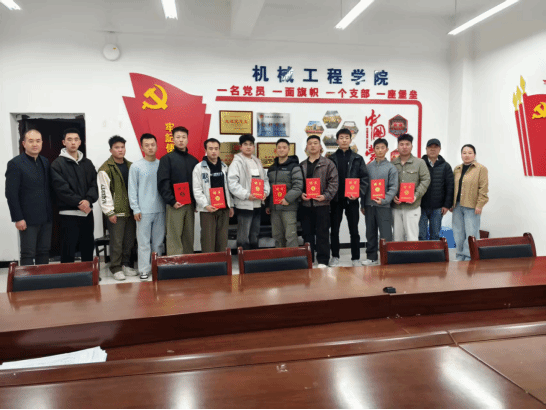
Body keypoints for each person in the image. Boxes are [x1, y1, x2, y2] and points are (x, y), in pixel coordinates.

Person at [5, 129, 53, 266]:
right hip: (27, 218)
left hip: (46, 216)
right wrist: (18, 218)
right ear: (24, 143)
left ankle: (42, 278)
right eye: (31, 141)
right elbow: (11, 193)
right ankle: (28, 280)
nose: (35, 144)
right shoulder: (15, 163)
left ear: (42, 143)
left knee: (44, 251)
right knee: (28, 253)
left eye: (38, 141)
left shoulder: (45, 161)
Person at [51, 128, 98, 263]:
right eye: (69, 139)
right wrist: (79, 202)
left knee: (88, 247)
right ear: (63, 142)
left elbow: (94, 184)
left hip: (86, 213)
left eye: (76, 139)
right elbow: (61, 189)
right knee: (68, 249)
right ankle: (67, 274)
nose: (73, 142)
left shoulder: (87, 163)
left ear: (80, 142)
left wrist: (88, 200)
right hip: (68, 214)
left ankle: (89, 273)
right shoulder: (57, 164)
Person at [98, 136, 137, 281]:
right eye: (116, 147)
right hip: (116, 212)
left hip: (130, 211)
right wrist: (109, 211)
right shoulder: (105, 169)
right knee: (116, 242)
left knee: (129, 241)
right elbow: (104, 192)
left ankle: (126, 265)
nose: (120, 150)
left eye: (122, 147)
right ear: (111, 150)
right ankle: (115, 267)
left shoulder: (131, 166)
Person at [329, 129, 369, 267]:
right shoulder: (331, 158)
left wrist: (358, 193)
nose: (344, 140)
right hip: (335, 200)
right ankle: (335, 256)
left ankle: (355, 258)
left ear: (351, 140)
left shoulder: (358, 158)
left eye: (347, 137)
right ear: (337, 140)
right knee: (334, 230)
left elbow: (364, 178)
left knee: (354, 230)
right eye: (341, 137)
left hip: (352, 200)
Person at [128, 134, 165, 281]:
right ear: (142, 147)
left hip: (160, 209)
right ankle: (144, 270)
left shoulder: (162, 164)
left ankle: (157, 268)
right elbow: (132, 189)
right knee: (143, 243)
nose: (150, 148)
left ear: (157, 146)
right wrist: (135, 208)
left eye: (153, 145)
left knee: (158, 243)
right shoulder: (136, 166)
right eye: (147, 145)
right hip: (143, 211)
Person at [157, 126, 199, 256]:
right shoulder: (166, 159)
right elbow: (163, 182)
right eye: (178, 137)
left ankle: (188, 262)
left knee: (189, 236)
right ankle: (175, 264)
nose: (181, 140)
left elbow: (197, 184)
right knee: (174, 236)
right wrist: (172, 201)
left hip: (190, 205)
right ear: (173, 140)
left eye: (183, 137)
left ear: (187, 139)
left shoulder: (194, 161)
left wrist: (195, 203)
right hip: (175, 204)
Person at [300, 135, 339, 268]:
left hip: (322, 204)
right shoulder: (302, 165)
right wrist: (301, 195)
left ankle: (323, 260)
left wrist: (326, 196)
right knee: (307, 234)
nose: (312, 145)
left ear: (320, 146)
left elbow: (334, 182)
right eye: (310, 143)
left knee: (323, 234)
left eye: (315, 143)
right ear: (306, 147)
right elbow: (298, 184)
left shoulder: (328, 163)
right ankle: (309, 259)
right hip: (306, 205)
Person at [228, 134, 270, 250]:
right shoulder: (236, 163)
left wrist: (265, 192)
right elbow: (232, 184)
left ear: (254, 147)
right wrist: (247, 195)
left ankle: (254, 257)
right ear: (240, 147)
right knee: (243, 235)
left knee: (255, 234)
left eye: (251, 144)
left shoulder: (257, 162)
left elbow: (265, 180)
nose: (248, 147)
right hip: (244, 205)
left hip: (258, 204)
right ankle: (243, 258)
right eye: (245, 144)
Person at [193, 138, 235, 254]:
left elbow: (228, 188)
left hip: (224, 208)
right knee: (208, 239)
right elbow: (197, 189)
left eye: (216, 149)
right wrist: (205, 205)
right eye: (210, 149)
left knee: (222, 238)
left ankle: (222, 261)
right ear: (205, 150)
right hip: (208, 209)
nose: (213, 151)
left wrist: (230, 205)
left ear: (219, 150)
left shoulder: (224, 167)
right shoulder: (199, 168)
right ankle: (209, 262)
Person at [362, 138, 399, 266]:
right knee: (370, 233)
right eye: (377, 148)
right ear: (373, 150)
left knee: (386, 233)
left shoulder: (391, 168)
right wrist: (363, 204)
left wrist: (384, 200)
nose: (380, 150)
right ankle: (371, 257)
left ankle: (387, 257)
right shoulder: (368, 167)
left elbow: (394, 187)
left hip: (384, 206)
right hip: (369, 205)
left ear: (387, 149)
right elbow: (364, 187)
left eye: (382, 148)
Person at [451, 144, 489, 261]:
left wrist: (480, 205)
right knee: (458, 233)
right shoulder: (457, 169)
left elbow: (483, 189)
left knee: (471, 233)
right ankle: (460, 255)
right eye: (464, 153)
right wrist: (451, 204)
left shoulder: (481, 169)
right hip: (457, 206)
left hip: (472, 206)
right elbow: (453, 187)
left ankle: (469, 256)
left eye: (470, 153)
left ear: (474, 155)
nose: (467, 155)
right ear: (461, 154)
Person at [392, 134, 431, 242]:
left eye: (407, 144)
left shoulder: (420, 163)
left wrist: (416, 195)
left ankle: (412, 254)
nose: (404, 147)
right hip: (396, 207)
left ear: (412, 146)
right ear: (397, 146)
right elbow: (389, 183)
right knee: (397, 238)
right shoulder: (393, 164)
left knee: (412, 238)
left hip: (412, 207)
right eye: (401, 144)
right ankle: (398, 254)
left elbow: (426, 180)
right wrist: (392, 196)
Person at [265, 139, 303, 248]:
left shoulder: (294, 167)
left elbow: (298, 187)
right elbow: (268, 187)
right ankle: (280, 257)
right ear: (276, 150)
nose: (281, 150)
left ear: (289, 149)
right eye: (279, 147)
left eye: (284, 147)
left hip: (289, 207)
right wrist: (268, 204)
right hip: (274, 209)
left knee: (290, 235)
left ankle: (293, 257)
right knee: (277, 236)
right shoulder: (271, 168)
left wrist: (287, 199)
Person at [419, 139, 455, 241]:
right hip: (421, 206)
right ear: (426, 149)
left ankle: (433, 252)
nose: (433, 149)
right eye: (430, 147)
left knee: (435, 235)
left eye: (435, 147)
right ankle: (421, 252)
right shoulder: (420, 164)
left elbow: (450, 187)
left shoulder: (446, 166)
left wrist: (447, 205)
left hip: (438, 207)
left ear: (440, 149)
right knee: (421, 235)